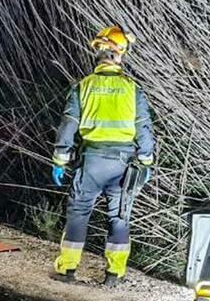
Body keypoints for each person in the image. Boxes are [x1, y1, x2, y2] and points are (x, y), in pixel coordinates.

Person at [51, 25, 155, 287]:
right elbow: (144, 127)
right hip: (123, 164)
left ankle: (67, 270)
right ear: (120, 54)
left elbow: (68, 124)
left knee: (78, 213)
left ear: (98, 53)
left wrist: (60, 158)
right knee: (119, 217)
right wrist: (146, 161)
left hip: (91, 160)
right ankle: (113, 274)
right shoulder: (133, 89)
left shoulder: (83, 86)